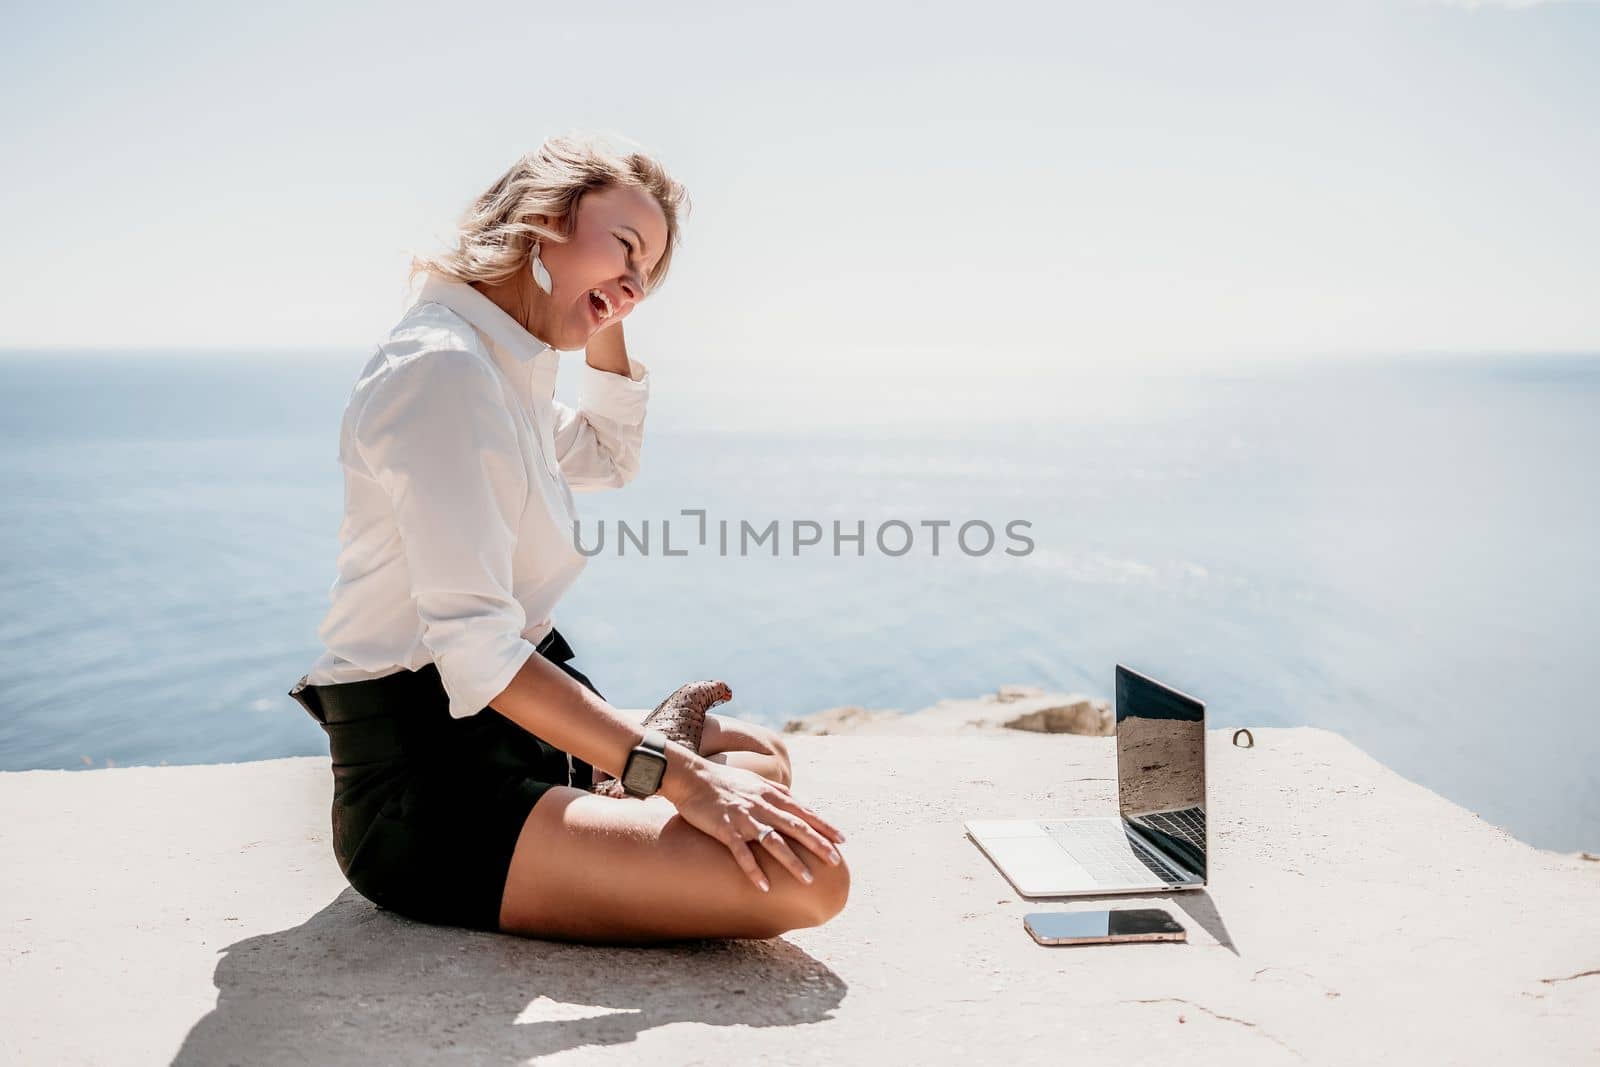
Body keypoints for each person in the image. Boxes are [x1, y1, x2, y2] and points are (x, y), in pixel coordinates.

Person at [288, 132, 849, 943]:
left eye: (648, 274)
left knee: (759, 757)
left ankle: (616, 779)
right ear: (542, 220)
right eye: (623, 247)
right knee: (811, 880)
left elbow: (608, 454)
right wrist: (676, 776)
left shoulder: (500, 366)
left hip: (510, 738)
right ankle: (625, 778)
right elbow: (477, 651)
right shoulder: (442, 371)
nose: (633, 282)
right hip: (433, 789)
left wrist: (610, 302)